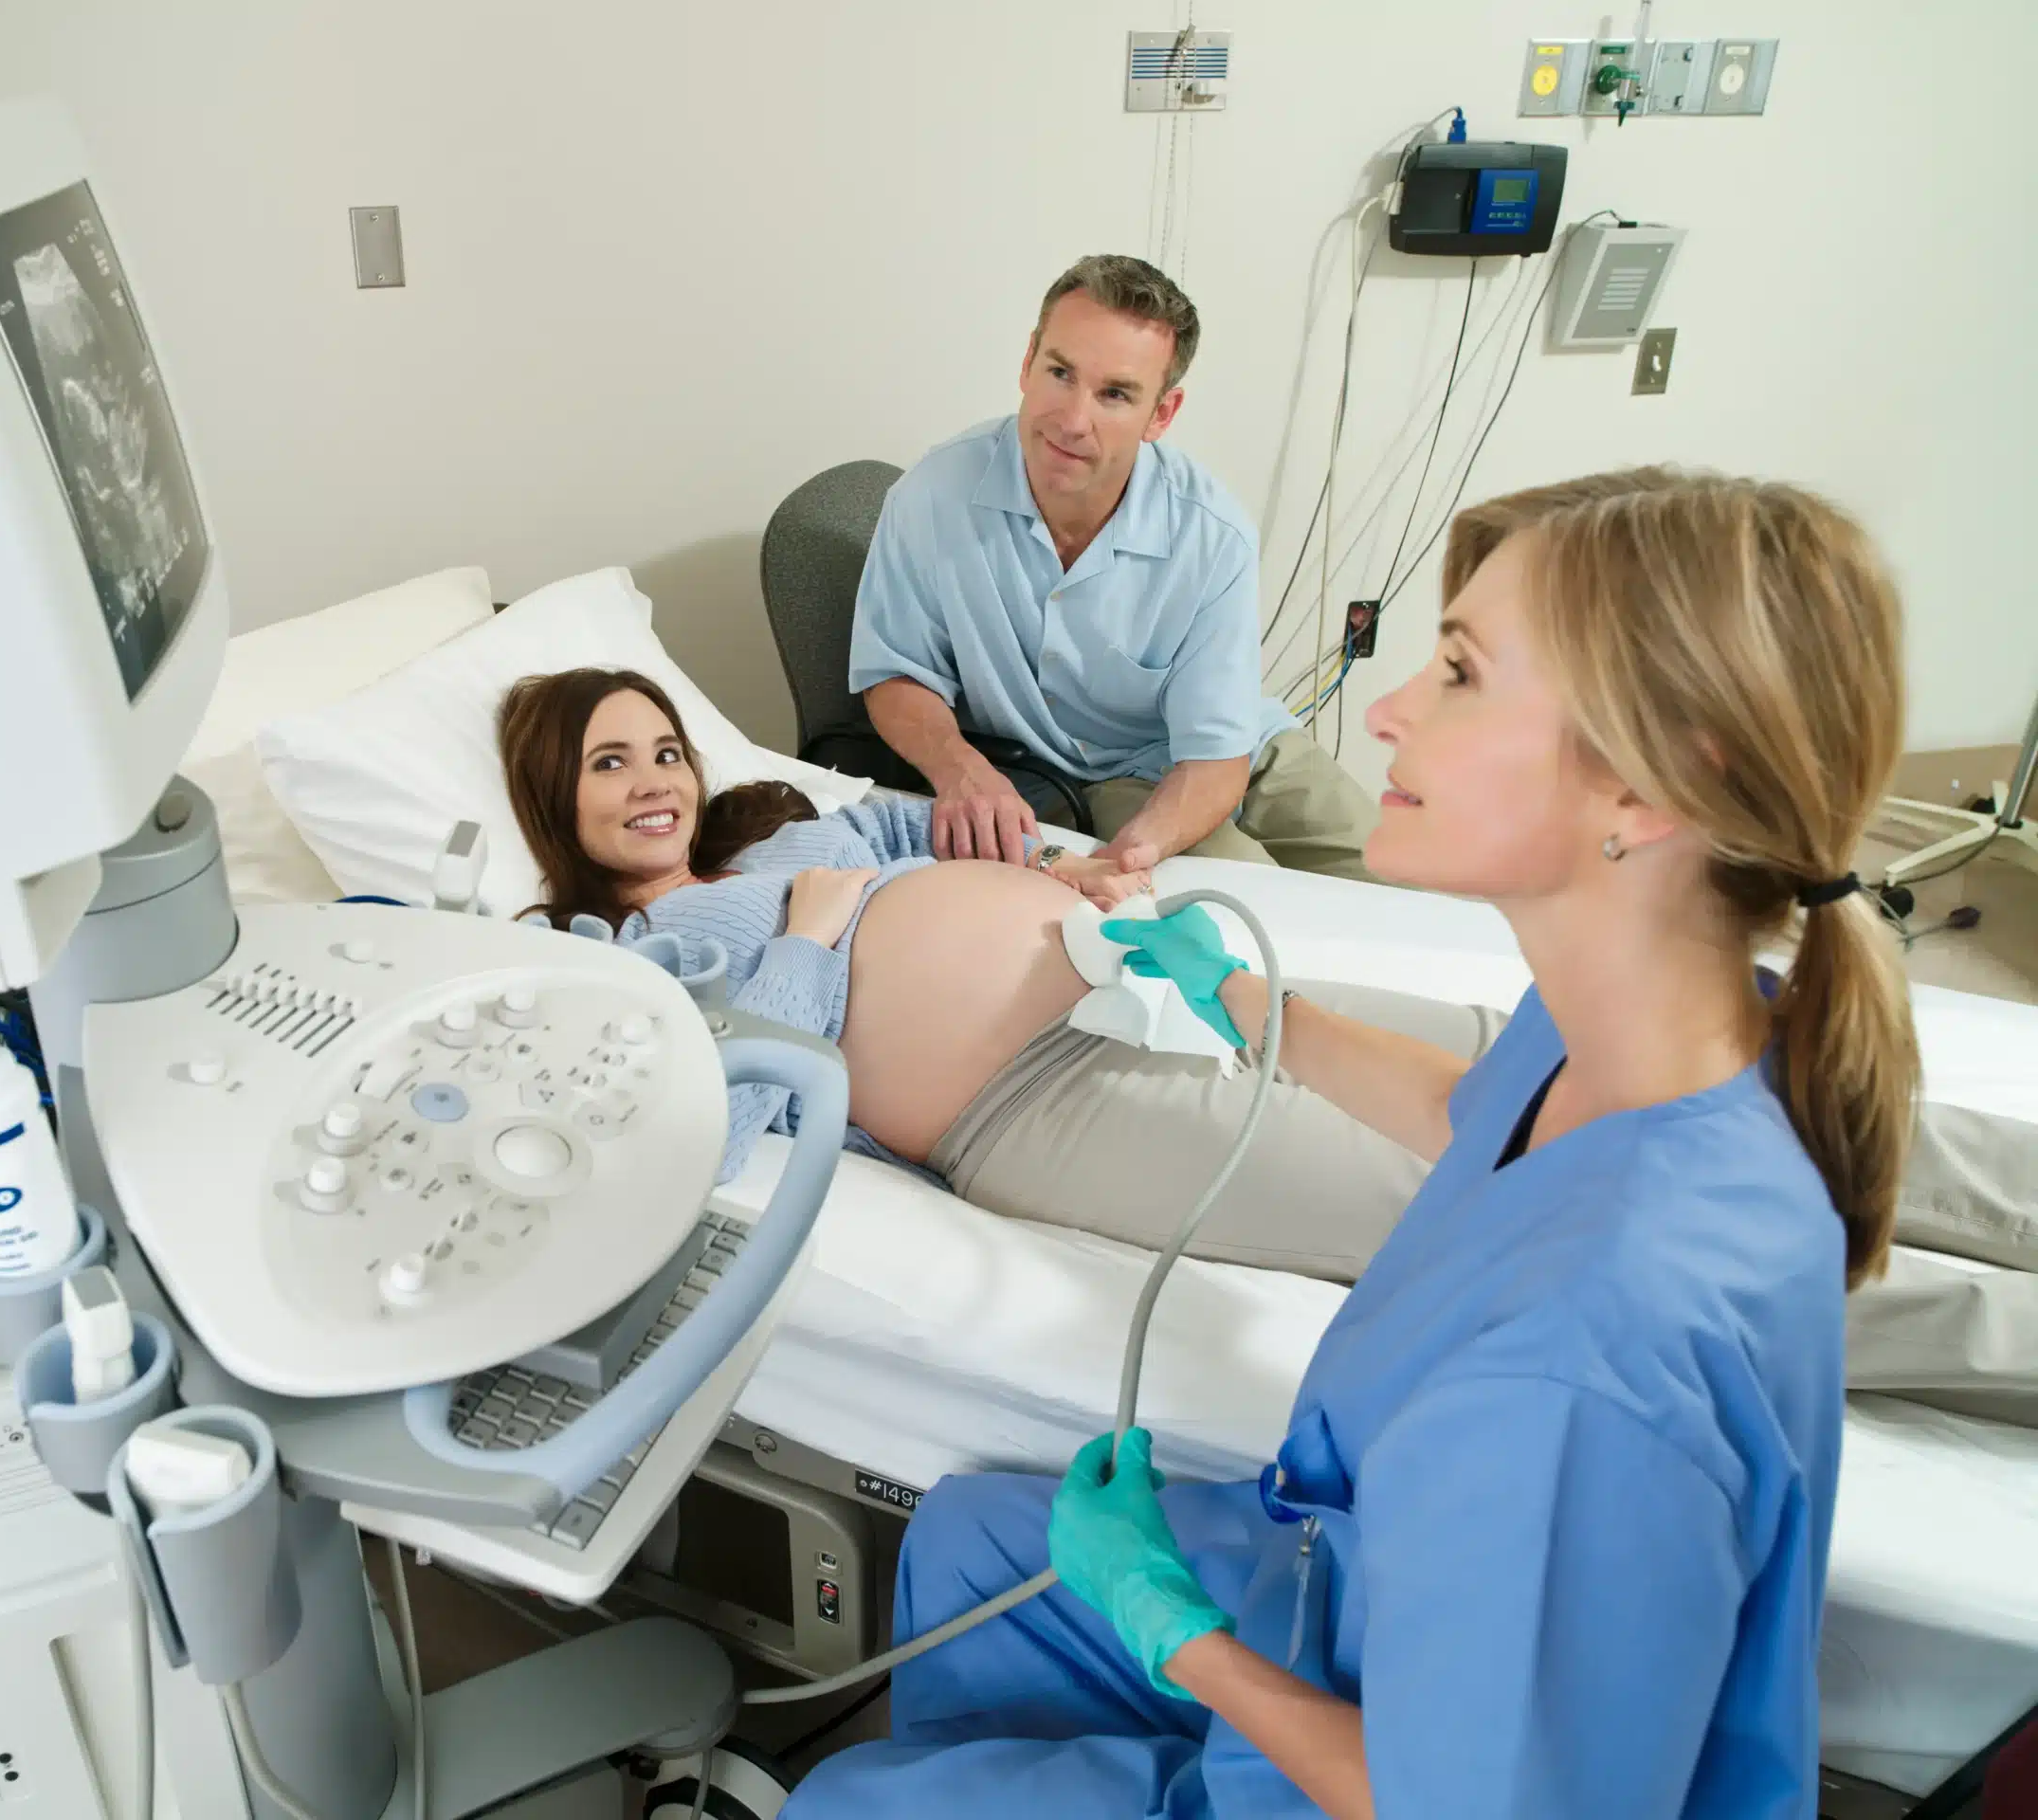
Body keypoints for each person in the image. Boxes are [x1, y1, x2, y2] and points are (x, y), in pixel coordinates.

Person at [783, 467, 1921, 1818]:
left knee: (836, 1807)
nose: (1384, 709)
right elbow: (1474, 1112)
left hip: (1402, 1768)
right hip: (1358, 1584)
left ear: (1653, 789)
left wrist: (1175, 1632)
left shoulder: (1591, 1364)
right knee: (973, 1539)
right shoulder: (1658, 1021)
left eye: (1457, 672)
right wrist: (1251, 1006)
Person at [497, 664, 1491, 1277]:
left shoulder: (771, 836)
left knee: (1508, 1051)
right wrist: (805, 946)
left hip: (1158, 986)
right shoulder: (620, 960)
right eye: (610, 764)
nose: (657, 779)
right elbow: (703, 1136)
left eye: (666, 750)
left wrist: (1049, 864)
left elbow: (900, 821)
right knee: (1435, 1191)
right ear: (554, 798)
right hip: (1039, 1100)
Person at [845, 253, 1377, 881]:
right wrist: (963, 771)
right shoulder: (933, 496)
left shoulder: (1212, 534)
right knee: (1249, 889)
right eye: (1060, 372)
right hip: (1099, 776)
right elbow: (896, 673)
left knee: (1416, 881)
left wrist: (1139, 850)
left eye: (1115, 394)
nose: (1072, 421)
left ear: (1162, 414)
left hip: (1228, 749)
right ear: (1027, 362)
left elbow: (1217, 757)